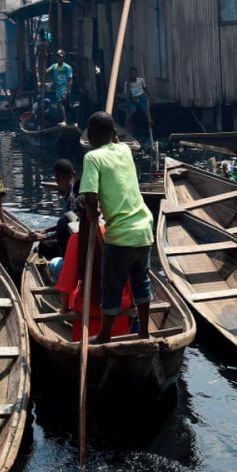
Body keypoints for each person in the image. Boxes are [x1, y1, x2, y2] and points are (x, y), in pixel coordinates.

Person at [79, 112, 153, 343]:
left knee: (111, 286)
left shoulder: (92, 158)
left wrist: (92, 212)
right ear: (113, 135)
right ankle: (143, 332)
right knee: (142, 283)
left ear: (90, 137)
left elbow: (90, 195)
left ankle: (105, 335)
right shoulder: (125, 151)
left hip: (120, 235)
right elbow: (115, 146)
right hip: (144, 229)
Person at [32, 159, 77, 260]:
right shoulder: (74, 192)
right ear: (73, 174)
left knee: (43, 246)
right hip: (74, 235)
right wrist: (46, 230)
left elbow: (69, 227)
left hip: (74, 241)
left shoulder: (72, 197)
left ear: (56, 178)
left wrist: (45, 236)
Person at [45, 50, 73, 122]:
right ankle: (68, 120)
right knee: (64, 105)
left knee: (62, 103)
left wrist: (66, 91)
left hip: (65, 89)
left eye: (60, 57)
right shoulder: (54, 66)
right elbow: (46, 72)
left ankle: (65, 120)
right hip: (58, 89)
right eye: (57, 57)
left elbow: (70, 80)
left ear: (63, 58)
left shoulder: (67, 67)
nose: (59, 59)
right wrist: (43, 59)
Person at [123, 67, 151, 134]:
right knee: (132, 111)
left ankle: (150, 121)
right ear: (130, 74)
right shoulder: (127, 83)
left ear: (136, 74)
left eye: (134, 73)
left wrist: (150, 96)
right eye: (131, 73)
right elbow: (127, 94)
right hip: (133, 97)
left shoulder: (141, 80)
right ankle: (126, 127)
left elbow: (145, 88)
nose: (133, 74)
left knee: (145, 109)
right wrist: (133, 99)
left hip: (141, 96)